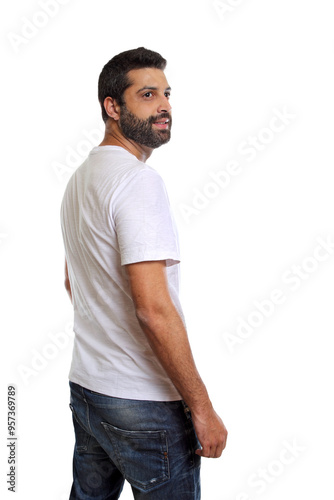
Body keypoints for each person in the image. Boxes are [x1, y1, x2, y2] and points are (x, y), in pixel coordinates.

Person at [60, 47, 227, 500]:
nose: (164, 106)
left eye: (167, 94)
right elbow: (154, 309)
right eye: (148, 94)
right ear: (112, 108)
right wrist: (202, 407)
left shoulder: (80, 179)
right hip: (145, 405)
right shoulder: (137, 181)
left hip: (90, 390)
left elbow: (73, 281)